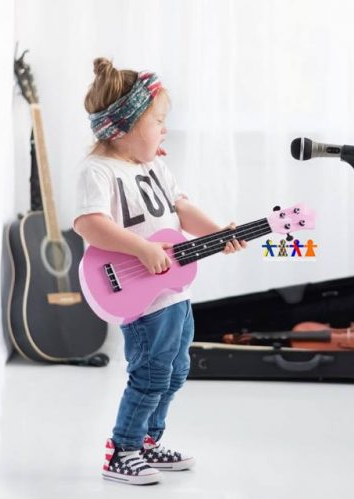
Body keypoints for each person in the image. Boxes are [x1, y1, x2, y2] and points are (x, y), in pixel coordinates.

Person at [73, 57, 247, 485]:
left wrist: (219, 232)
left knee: (176, 370)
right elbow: (89, 224)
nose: (165, 129)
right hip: (139, 295)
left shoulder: (156, 167)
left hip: (174, 294)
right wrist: (139, 248)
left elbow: (180, 209)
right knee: (150, 372)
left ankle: (149, 442)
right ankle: (122, 449)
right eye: (158, 121)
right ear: (125, 127)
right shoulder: (98, 170)